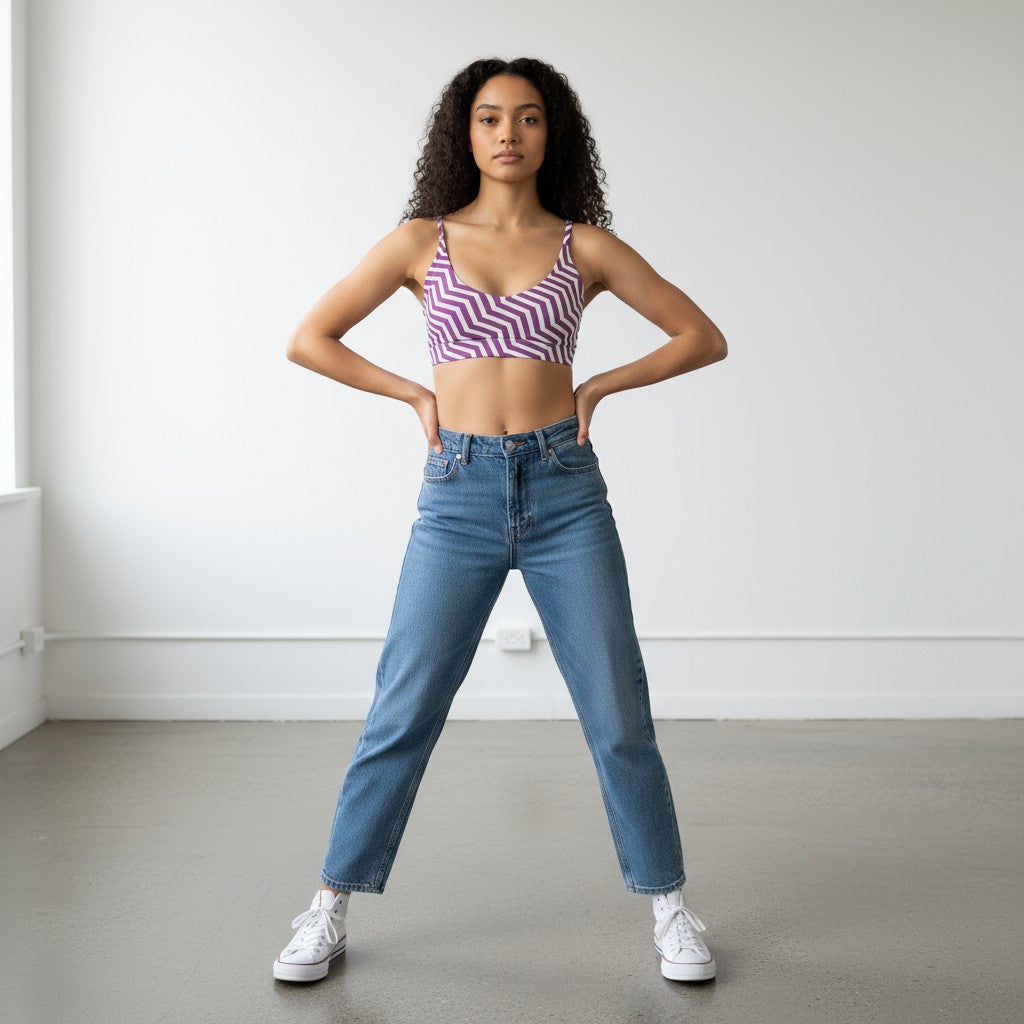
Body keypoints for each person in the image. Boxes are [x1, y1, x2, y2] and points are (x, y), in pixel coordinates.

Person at [274, 56, 728, 985]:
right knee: (403, 708)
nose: (508, 134)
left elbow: (701, 335)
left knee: (616, 711)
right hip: (459, 495)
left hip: (564, 490)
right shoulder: (420, 241)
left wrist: (601, 381)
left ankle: (670, 907)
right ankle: (328, 906)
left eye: (526, 118)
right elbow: (308, 338)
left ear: (550, 133)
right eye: (489, 118)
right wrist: (410, 395)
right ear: (465, 134)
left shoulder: (583, 246)